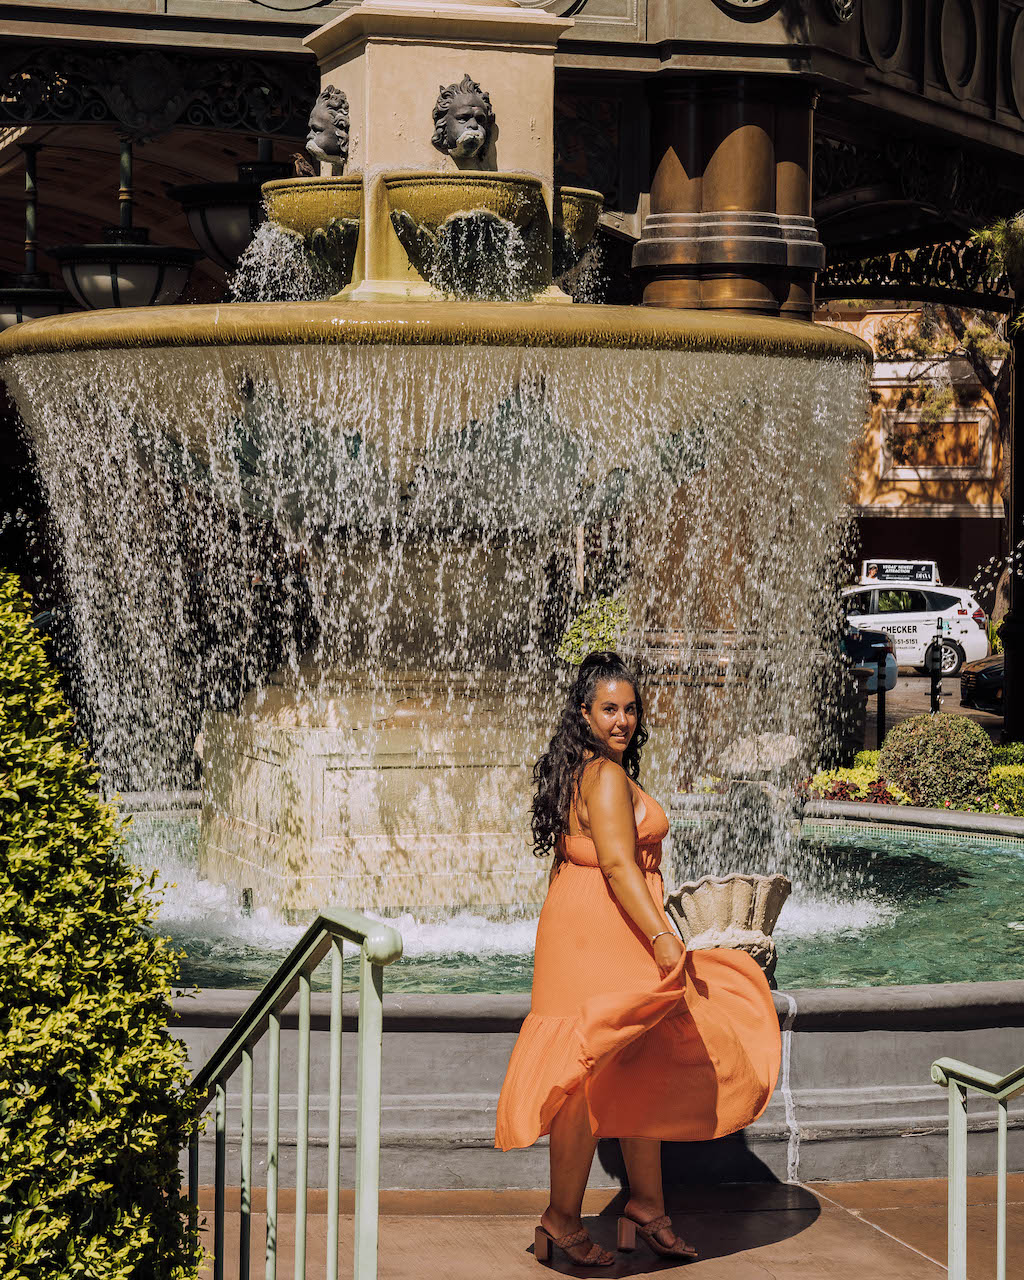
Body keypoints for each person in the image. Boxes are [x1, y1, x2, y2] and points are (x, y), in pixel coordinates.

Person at [495, 651, 782, 1267]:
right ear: (585, 714)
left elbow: (585, 859)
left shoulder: (584, 771)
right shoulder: (602, 776)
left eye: (629, 709)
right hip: (610, 930)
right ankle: (562, 1220)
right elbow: (622, 866)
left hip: (588, 923)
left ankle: (645, 1207)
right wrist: (661, 935)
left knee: (641, 1058)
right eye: (609, 709)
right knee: (585, 1076)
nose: (622, 719)